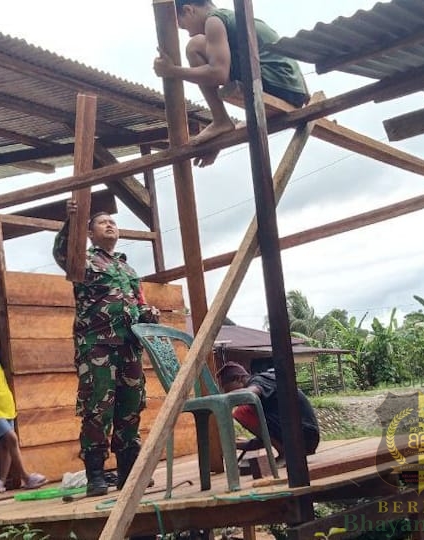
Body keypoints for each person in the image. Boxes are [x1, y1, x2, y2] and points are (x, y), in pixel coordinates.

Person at [53, 201, 160, 496]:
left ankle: (128, 474)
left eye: (112, 222)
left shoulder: (127, 268)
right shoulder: (83, 260)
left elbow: (138, 304)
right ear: (89, 233)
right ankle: (96, 476)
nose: (110, 225)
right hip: (97, 347)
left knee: (130, 409)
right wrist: (70, 222)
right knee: (97, 409)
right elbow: (62, 252)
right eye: (102, 222)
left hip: (130, 347)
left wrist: (148, 313)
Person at [153, 0, 310, 166]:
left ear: (189, 10)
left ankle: (220, 118)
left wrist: (171, 71)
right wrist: (218, 143)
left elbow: (218, 74)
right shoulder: (232, 18)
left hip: (274, 80)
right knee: (205, 48)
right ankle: (221, 123)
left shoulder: (214, 20)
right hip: (292, 90)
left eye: (185, 27)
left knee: (194, 46)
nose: (189, 33)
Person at [0, 322, 47, 493]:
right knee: (12, 439)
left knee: (5, 446)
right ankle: (26, 477)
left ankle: (1, 480)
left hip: (7, 406)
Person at [217, 361, 319, 466]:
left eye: (227, 389)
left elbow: (249, 393)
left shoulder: (260, 380)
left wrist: (220, 400)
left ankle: (287, 456)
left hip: (304, 435)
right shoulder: (264, 399)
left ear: (238, 379)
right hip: (304, 438)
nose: (226, 393)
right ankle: (287, 454)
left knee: (242, 412)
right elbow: (267, 439)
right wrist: (234, 445)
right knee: (247, 410)